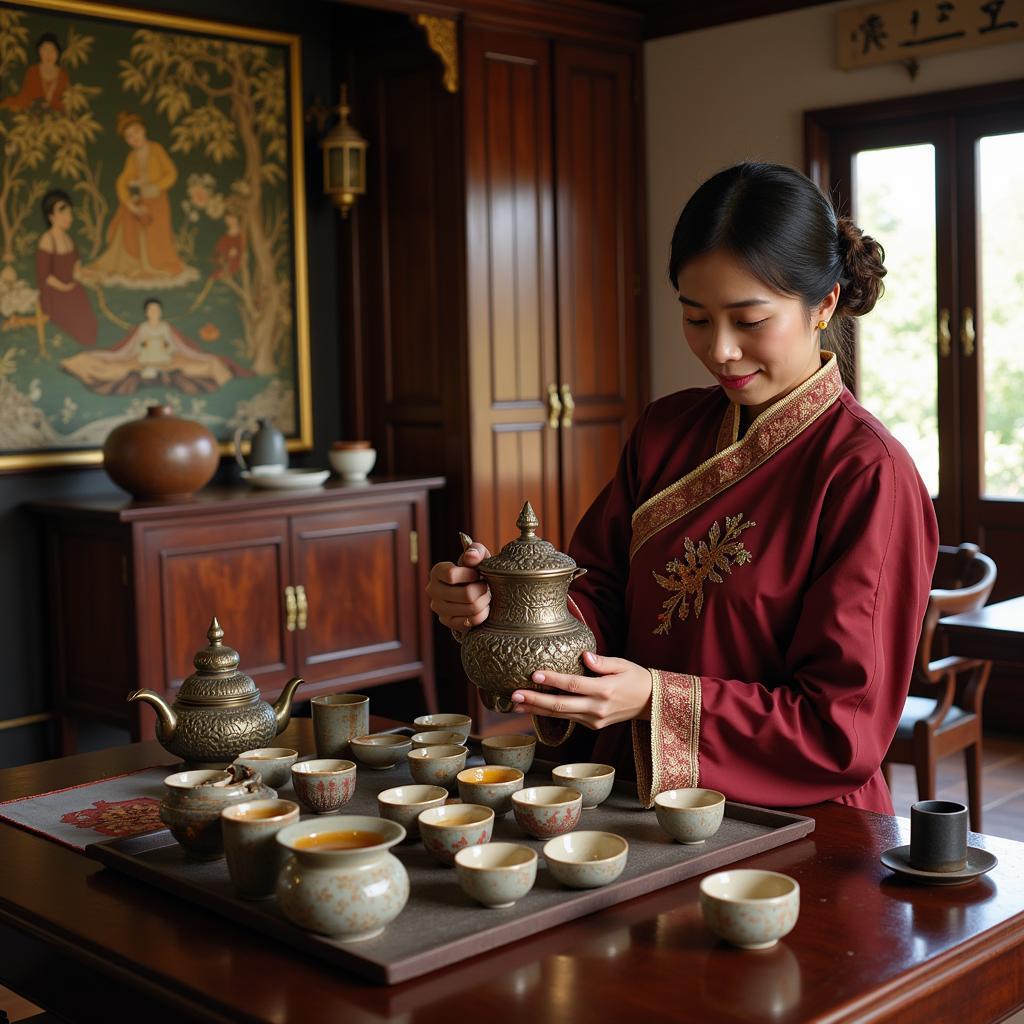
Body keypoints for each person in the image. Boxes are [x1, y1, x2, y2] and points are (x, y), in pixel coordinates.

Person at [427, 161, 939, 816]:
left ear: (826, 304)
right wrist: (510, 607)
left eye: (749, 321)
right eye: (696, 319)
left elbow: (843, 730)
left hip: (793, 827)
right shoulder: (665, 429)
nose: (720, 350)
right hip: (624, 801)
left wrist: (653, 698)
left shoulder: (868, 475)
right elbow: (599, 593)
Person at [84, 112, 196, 288]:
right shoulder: (132, 157)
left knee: (156, 234)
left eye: (136, 132)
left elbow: (171, 173)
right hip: (141, 199)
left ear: (143, 130)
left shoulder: (156, 149)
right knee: (126, 219)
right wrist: (129, 202)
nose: (134, 138)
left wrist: (158, 186)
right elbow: (122, 181)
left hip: (158, 200)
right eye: (129, 136)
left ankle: (156, 265)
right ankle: (127, 264)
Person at [61, 296, 250, 395]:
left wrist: (165, 348)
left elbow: (175, 346)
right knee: (114, 367)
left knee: (199, 364)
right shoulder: (142, 328)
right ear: (146, 312)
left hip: (164, 358)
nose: (154, 313)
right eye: (151, 310)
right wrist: (145, 347)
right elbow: (132, 348)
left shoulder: (165, 327)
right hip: (144, 358)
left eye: (156, 310)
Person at [35, 189, 98, 347]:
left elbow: (76, 270)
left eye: (69, 213)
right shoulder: (47, 240)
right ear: (51, 216)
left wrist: (90, 276)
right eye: (62, 213)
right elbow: (45, 276)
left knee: (90, 323)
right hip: (54, 293)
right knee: (77, 326)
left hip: (72, 290)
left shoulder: (69, 239)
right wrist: (65, 288)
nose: (68, 217)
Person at [0, 33, 69, 113]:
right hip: (32, 112)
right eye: (45, 49)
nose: (48, 54)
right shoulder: (33, 71)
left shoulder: (63, 75)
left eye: (52, 50)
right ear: (39, 52)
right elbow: (25, 96)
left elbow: (66, 102)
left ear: (57, 54)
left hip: (55, 116)